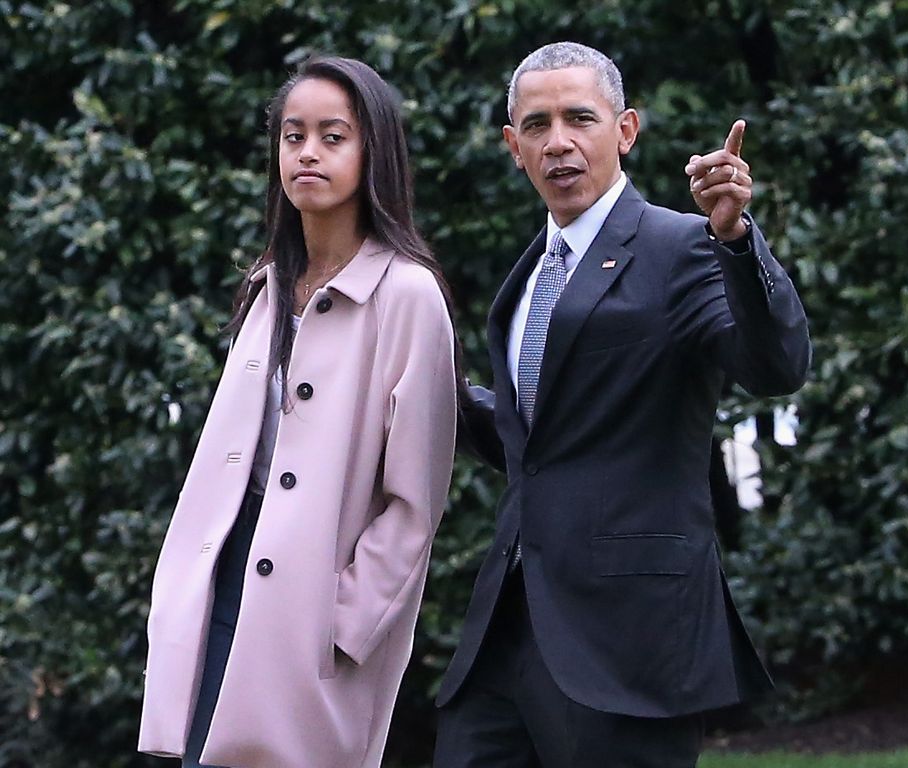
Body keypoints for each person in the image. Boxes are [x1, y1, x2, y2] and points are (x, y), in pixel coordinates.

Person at [434, 42, 811, 768]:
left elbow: (776, 365)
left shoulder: (683, 246)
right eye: (537, 126)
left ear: (626, 130)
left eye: (580, 118)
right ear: (514, 147)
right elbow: (536, 444)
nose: (559, 142)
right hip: (508, 633)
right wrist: (426, 392)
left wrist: (734, 239)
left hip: (627, 643)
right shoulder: (529, 276)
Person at [138, 55, 459, 768]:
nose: (308, 152)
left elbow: (416, 500)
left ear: (373, 151)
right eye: (293, 135)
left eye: (333, 136)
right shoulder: (266, 284)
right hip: (224, 575)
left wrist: (343, 623)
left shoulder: (408, 297)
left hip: (313, 608)